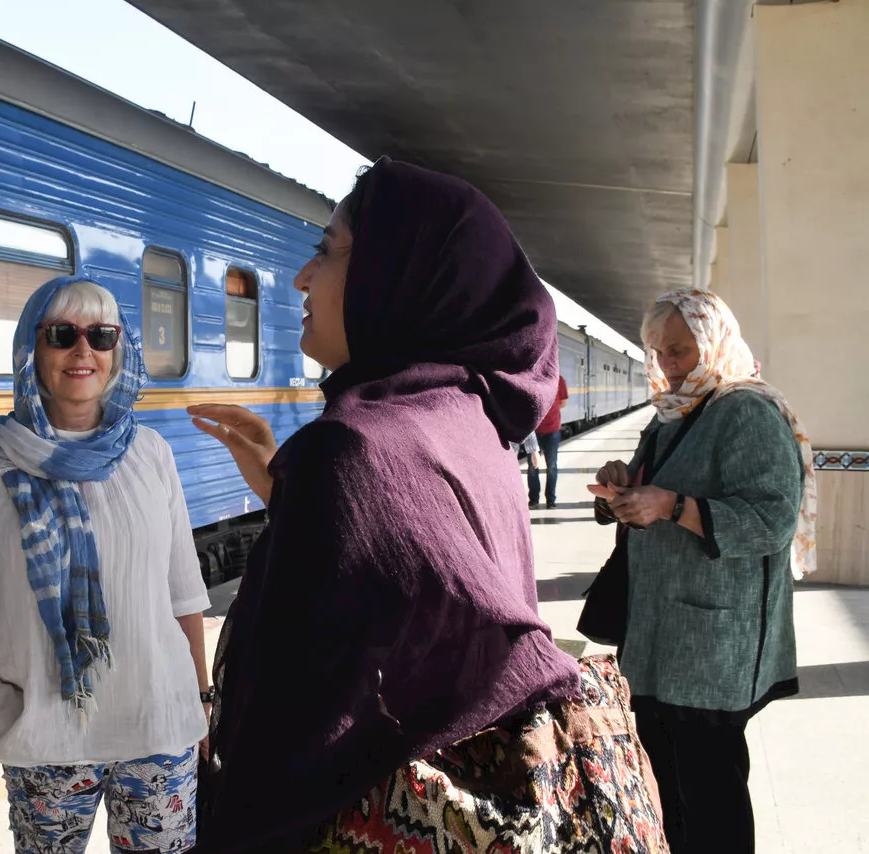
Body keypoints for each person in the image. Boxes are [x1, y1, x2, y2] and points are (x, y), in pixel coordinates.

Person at [187, 157, 667, 853]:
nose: (300, 277)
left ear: (396, 271)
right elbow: (417, 591)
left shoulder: (352, 446)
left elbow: (285, 722)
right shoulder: (475, 425)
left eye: (325, 250)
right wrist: (291, 493)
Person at [0, 276, 211, 854]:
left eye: (102, 336)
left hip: (159, 724)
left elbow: (183, 590)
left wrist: (200, 697)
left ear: (120, 352)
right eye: (61, 335)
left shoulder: (151, 454)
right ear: (31, 349)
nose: (84, 351)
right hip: (46, 740)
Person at [590, 289, 814, 853]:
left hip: (713, 649)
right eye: (657, 351)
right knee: (662, 785)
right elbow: (650, 495)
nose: (667, 364)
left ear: (713, 342)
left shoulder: (746, 410)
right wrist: (621, 487)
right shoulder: (670, 416)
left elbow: (771, 520)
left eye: (680, 350)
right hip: (657, 635)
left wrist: (672, 506)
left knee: (711, 795)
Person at [528, 371, 569, 508]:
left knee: (551, 466)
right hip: (534, 431)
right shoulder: (533, 378)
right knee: (534, 466)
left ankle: (550, 499)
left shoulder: (559, 380)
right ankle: (534, 498)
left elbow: (563, 402)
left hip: (552, 430)